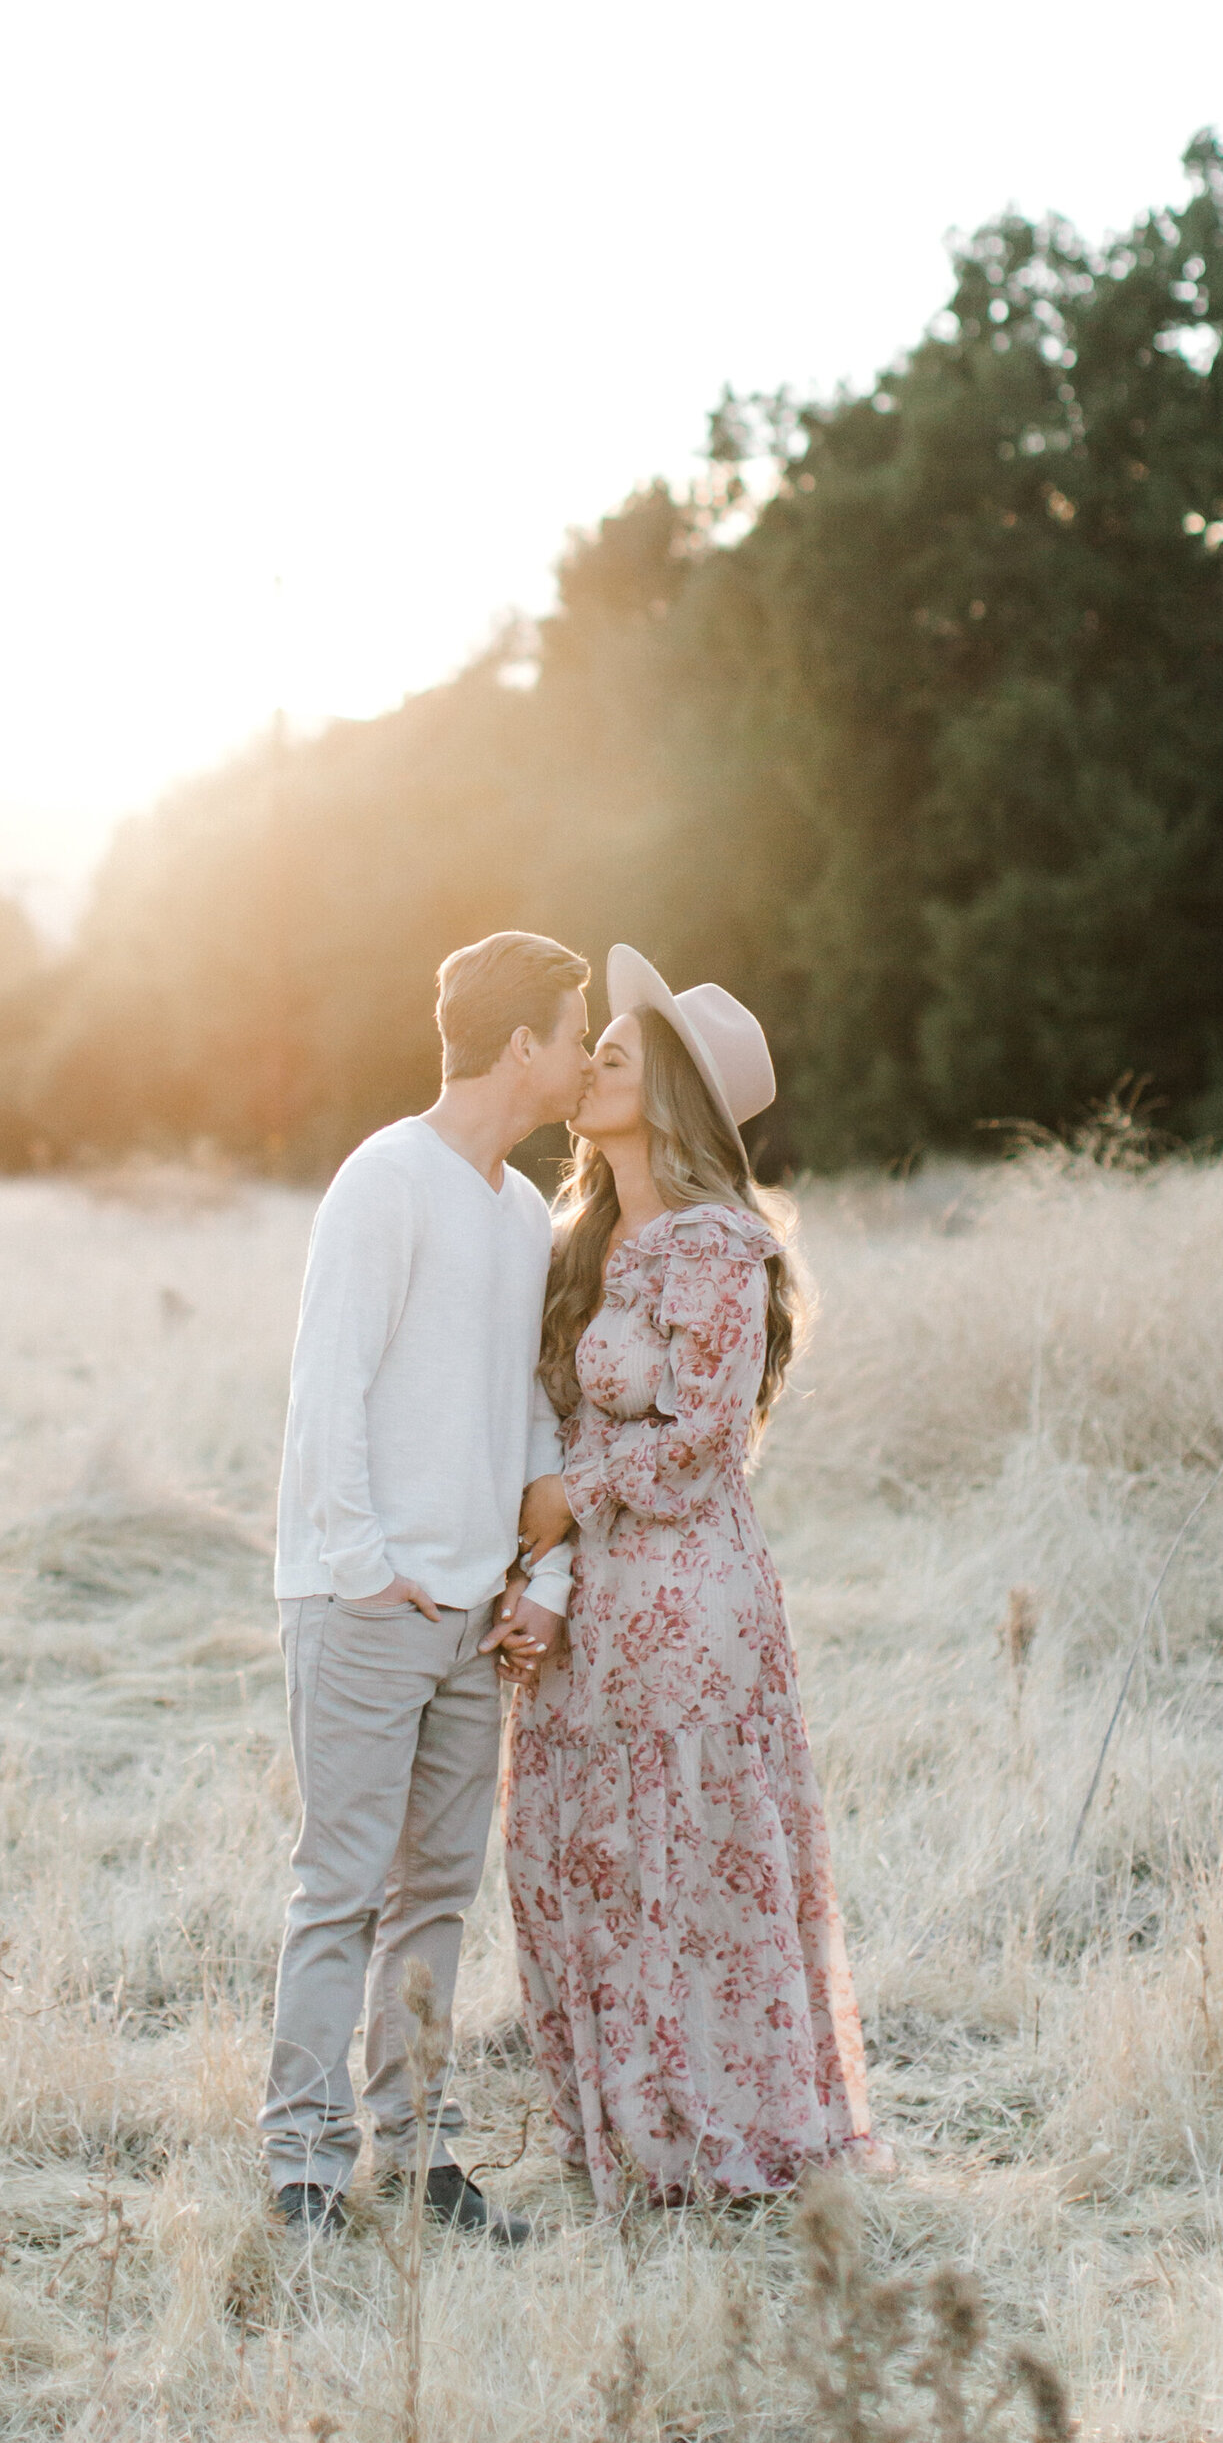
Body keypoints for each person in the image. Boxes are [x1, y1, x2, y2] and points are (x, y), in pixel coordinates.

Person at [501, 944, 888, 2210]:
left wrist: (574, 1497)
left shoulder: (718, 1244)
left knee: (682, 1858)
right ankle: (630, 2137)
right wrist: (544, 1561)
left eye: (614, 1053)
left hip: (681, 1597)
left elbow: (707, 1435)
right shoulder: (586, 1241)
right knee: (588, 1859)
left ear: (667, 1091)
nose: (589, 1063)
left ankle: (718, 2139)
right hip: (593, 1601)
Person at [260, 928, 593, 2243]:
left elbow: (533, 1416)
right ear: (522, 1043)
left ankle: (417, 2157)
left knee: (437, 1898)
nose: (583, 1059)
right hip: (366, 1606)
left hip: (474, 1616)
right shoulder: (384, 1181)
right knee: (340, 1887)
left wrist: (541, 1573)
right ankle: (302, 2171)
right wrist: (364, 1569)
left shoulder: (522, 1212)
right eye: (574, 1034)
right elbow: (327, 1385)